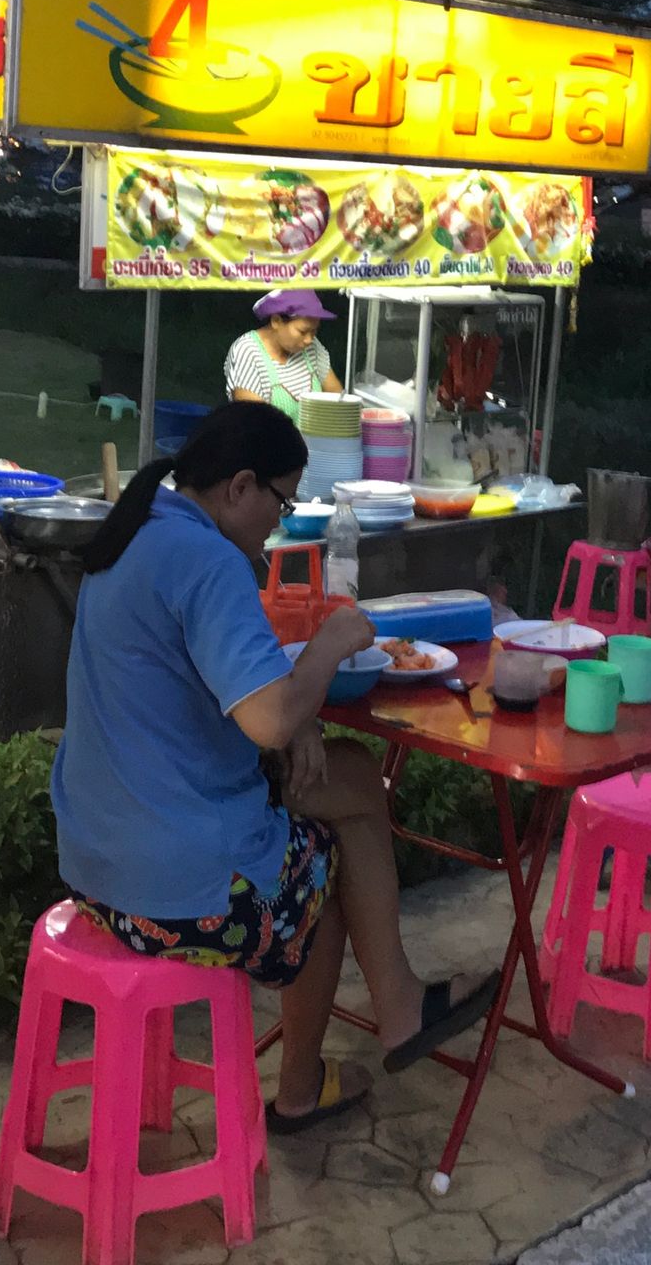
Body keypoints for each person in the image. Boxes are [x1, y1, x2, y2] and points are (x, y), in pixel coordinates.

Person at [51, 402, 497, 1133]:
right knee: (319, 873)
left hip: (96, 854)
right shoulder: (208, 562)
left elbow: (222, 693)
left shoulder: (144, 531)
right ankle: (312, 1079)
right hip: (167, 885)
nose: (279, 522)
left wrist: (301, 721)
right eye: (281, 503)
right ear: (240, 486)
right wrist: (331, 643)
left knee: (353, 776)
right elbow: (268, 720)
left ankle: (398, 1004)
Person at [224, 289, 343, 422]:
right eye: (302, 331)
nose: (309, 339)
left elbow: (337, 396)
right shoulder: (247, 351)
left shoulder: (312, 347)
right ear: (276, 321)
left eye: (314, 331)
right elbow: (253, 422)